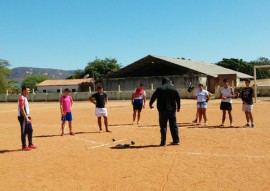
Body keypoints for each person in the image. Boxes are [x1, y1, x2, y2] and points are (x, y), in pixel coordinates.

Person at [149, 77, 181, 146]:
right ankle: (176, 140)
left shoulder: (160, 88)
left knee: (163, 126)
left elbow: (153, 97)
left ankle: (163, 142)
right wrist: (179, 107)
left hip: (162, 110)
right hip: (172, 110)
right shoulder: (173, 88)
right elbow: (178, 98)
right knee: (173, 125)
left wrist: (150, 104)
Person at [17, 86, 37, 151]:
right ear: (23, 90)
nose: (29, 91)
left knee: (30, 130)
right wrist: (26, 118)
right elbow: (22, 109)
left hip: (27, 116)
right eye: (28, 90)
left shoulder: (25, 98)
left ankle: (30, 144)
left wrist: (28, 117)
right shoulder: (21, 98)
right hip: (23, 117)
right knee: (24, 131)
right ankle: (24, 146)